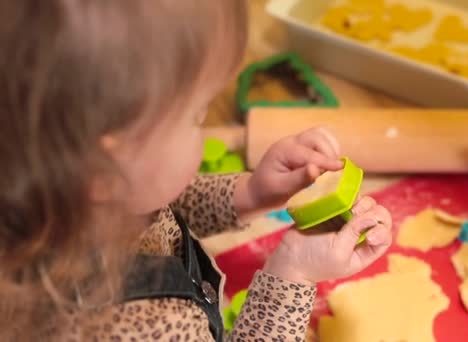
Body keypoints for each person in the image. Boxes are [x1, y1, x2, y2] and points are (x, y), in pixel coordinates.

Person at [0, 1, 393, 341]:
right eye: (196, 117)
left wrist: (250, 194)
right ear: (102, 172)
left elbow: (159, 211)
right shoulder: (145, 325)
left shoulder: (54, 193)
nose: (203, 132)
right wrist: (292, 276)